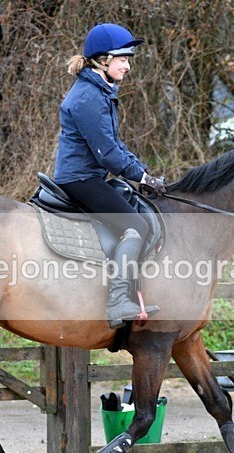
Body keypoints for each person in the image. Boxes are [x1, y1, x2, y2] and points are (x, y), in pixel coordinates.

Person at [53, 22, 165, 329]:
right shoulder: (89, 97)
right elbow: (108, 154)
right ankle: (117, 301)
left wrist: (144, 173)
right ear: (103, 60)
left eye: (128, 59)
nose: (128, 66)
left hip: (89, 175)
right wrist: (142, 177)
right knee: (136, 226)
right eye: (122, 59)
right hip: (80, 178)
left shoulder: (100, 91)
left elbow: (115, 145)